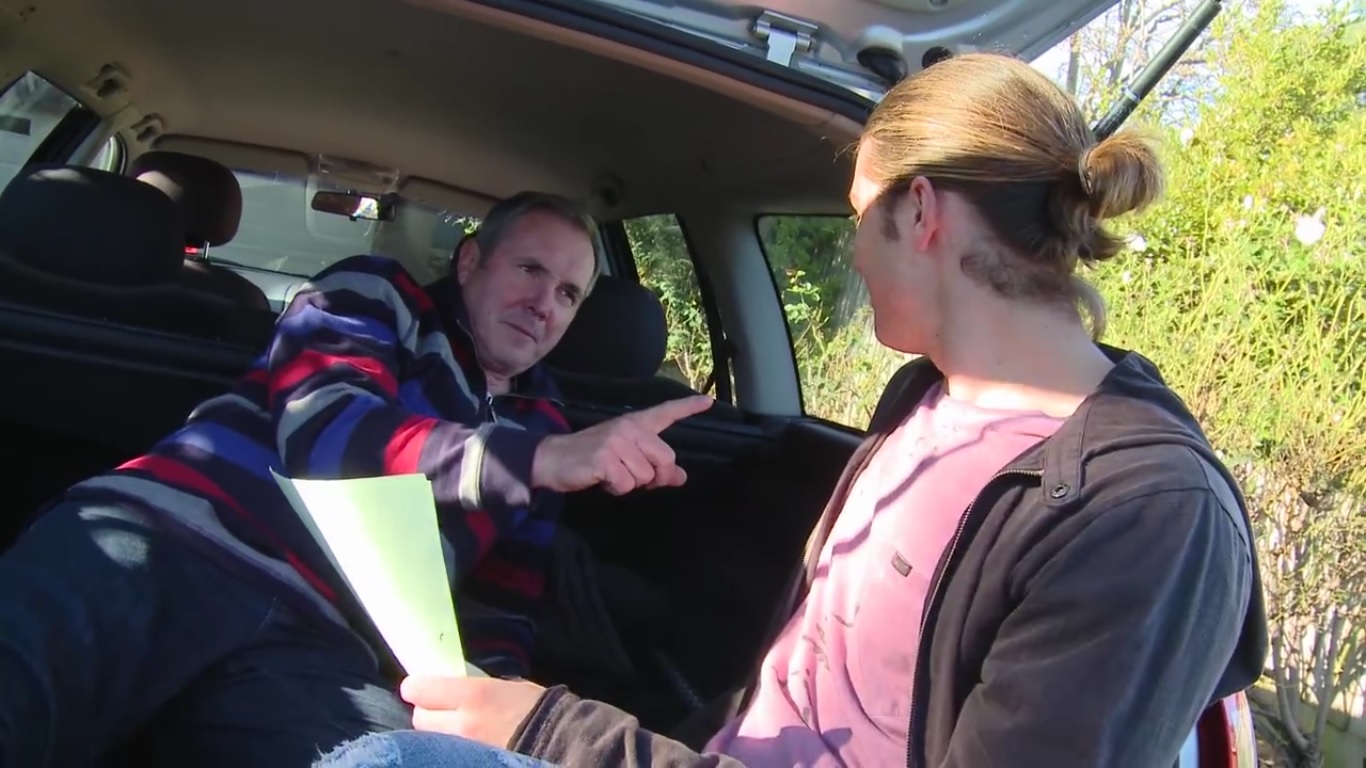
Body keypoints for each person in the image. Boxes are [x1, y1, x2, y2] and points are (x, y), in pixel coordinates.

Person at [314, 52, 1268, 768]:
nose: (854, 251)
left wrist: (557, 733)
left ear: (921, 212)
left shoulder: (1147, 515)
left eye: (859, 217)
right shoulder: (925, 402)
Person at [0, 189, 712, 767]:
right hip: (169, 541)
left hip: (323, 644)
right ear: (470, 261)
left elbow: (499, 598)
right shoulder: (374, 294)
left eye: (568, 293)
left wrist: (492, 700)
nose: (545, 303)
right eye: (529, 269)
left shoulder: (548, 422)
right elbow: (330, 436)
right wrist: (534, 460)